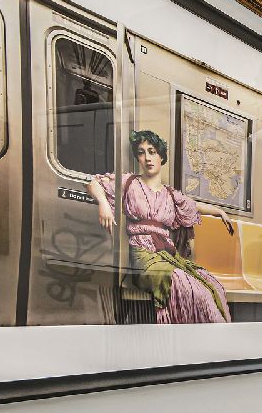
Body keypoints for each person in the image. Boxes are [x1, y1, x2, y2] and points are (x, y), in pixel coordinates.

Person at [87, 129, 233, 324]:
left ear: (161, 156)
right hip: (143, 255)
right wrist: (103, 203)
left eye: (152, 152)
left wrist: (219, 211)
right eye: (141, 153)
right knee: (183, 284)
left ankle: (209, 335)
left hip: (168, 254)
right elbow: (94, 183)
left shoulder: (170, 195)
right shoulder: (129, 182)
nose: (147, 158)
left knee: (210, 285)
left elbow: (194, 205)